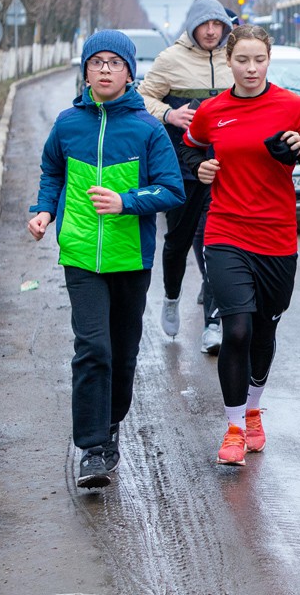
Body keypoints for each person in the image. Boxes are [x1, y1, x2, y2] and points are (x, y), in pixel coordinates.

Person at [29, 31, 185, 489]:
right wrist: (43, 211)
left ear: (129, 73)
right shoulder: (66, 124)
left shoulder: (147, 129)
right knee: (93, 348)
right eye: (95, 61)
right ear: (85, 70)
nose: (103, 69)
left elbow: (171, 189)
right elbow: (52, 171)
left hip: (130, 257)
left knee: (122, 353)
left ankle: (111, 423)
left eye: (114, 62)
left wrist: (125, 200)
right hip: (79, 254)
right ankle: (93, 447)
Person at [179, 25, 300, 467]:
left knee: (264, 332)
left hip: (277, 237)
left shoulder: (291, 105)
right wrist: (202, 167)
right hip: (226, 232)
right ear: (229, 61)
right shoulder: (212, 110)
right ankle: (231, 428)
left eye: (258, 60)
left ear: (268, 61)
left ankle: (252, 411)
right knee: (238, 330)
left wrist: (299, 149)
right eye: (242, 60)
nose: (251, 68)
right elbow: (188, 150)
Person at [139, 0, 233, 354]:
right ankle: (172, 297)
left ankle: (213, 322)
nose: (211, 31)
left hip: (223, 167)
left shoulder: (232, 57)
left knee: (215, 243)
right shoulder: (170, 59)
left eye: (217, 24)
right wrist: (169, 115)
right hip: (181, 165)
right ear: (192, 27)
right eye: (204, 25)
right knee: (177, 242)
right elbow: (142, 97)